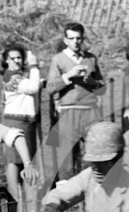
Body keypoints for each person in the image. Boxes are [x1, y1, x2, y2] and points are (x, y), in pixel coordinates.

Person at [46, 22, 105, 181]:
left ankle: (98, 186)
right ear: (65, 40)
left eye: (78, 38)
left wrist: (93, 82)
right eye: (72, 38)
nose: (76, 42)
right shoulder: (58, 60)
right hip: (68, 110)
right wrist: (68, 76)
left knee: (98, 150)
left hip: (90, 110)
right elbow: (50, 87)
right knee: (67, 157)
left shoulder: (90, 59)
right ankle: (67, 194)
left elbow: (103, 88)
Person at [1, 43, 43, 201]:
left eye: (19, 57)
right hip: (16, 121)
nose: (17, 61)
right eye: (13, 58)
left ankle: (24, 195)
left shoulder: (18, 76)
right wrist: (34, 66)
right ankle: (15, 196)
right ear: (6, 60)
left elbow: (33, 85)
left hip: (26, 122)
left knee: (25, 159)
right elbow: (32, 88)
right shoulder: (12, 76)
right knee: (14, 159)